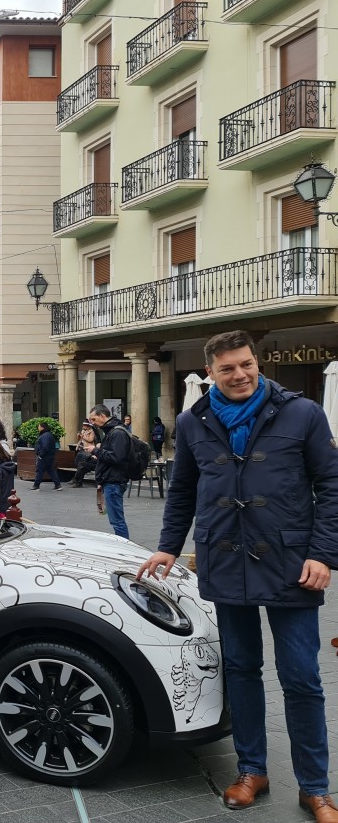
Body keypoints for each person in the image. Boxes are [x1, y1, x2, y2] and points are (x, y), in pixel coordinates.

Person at [137, 331, 338, 822]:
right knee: (243, 671)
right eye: (227, 369)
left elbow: (332, 484)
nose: (240, 374)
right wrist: (167, 545)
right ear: (211, 373)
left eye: (246, 364)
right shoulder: (193, 420)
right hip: (225, 559)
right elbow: (183, 487)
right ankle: (253, 771)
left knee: (302, 677)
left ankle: (315, 787)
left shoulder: (303, 413)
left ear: (257, 362)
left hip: (292, 564)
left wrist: (324, 554)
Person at [87, 403, 129, 538]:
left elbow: (117, 457)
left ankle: (125, 549)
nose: (93, 423)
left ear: (103, 416)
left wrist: (96, 450)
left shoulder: (117, 433)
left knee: (117, 521)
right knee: (116, 520)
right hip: (110, 480)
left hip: (114, 481)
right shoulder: (112, 432)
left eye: (94, 419)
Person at [31, 421, 62, 491]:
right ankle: (58, 485)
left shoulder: (45, 435)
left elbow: (45, 447)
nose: (38, 428)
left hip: (44, 456)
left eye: (39, 426)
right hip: (50, 456)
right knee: (51, 470)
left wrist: (40, 455)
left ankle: (36, 485)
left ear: (42, 427)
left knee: (39, 470)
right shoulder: (49, 435)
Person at [70, 421, 100, 488]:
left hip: (89, 449)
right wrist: (79, 436)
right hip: (83, 448)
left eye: (84, 425)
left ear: (87, 426)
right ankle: (77, 480)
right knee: (80, 463)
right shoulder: (83, 431)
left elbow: (90, 440)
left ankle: (76, 480)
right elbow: (80, 440)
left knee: (83, 463)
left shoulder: (92, 432)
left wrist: (82, 436)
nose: (83, 426)